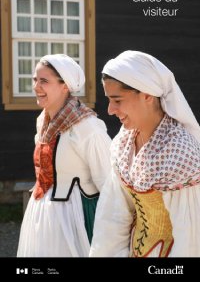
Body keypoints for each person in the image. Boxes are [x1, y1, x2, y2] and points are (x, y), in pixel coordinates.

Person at [89, 50, 200, 257]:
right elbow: (113, 216)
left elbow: (191, 239)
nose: (110, 110)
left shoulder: (179, 151)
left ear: (147, 95)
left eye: (118, 100)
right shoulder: (124, 142)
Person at [17, 54, 111, 257]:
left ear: (65, 86)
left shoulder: (87, 127)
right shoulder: (43, 121)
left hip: (75, 217)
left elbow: (108, 181)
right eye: (35, 80)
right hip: (41, 213)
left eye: (44, 81)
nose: (36, 86)